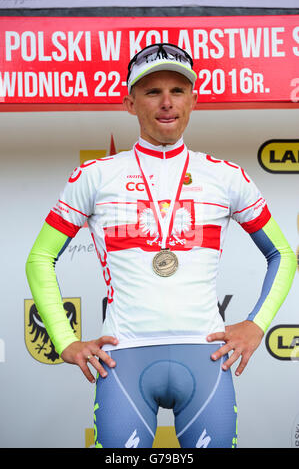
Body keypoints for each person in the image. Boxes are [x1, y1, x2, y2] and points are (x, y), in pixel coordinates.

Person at [26, 43, 296, 449]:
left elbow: (283, 255)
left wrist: (257, 325)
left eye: (178, 90)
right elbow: (40, 258)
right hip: (124, 360)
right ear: (129, 102)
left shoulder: (225, 177)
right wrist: (64, 340)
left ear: (194, 98)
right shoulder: (95, 176)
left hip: (206, 360)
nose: (167, 103)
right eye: (152, 92)